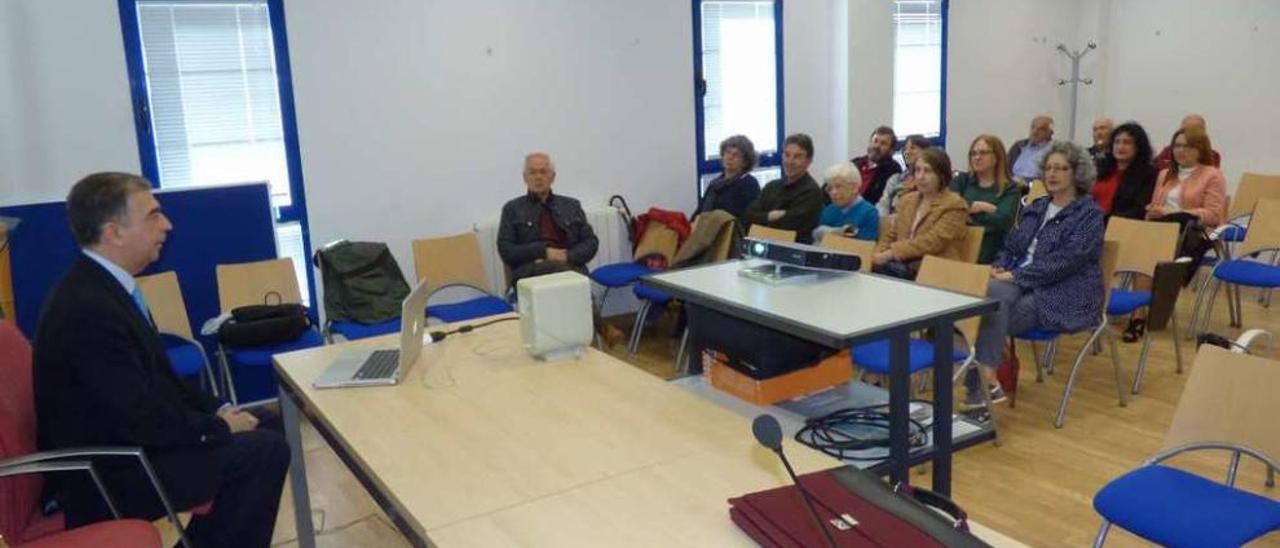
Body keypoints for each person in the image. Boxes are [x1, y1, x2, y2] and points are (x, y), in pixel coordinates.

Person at [33, 172, 289, 547]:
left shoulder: (107, 287)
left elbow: (161, 382)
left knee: (271, 422)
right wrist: (218, 428)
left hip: (134, 446)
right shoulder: (86, 310)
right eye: (153, 215)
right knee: (262, 451)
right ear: (114, 232)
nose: (167, 224)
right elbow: (137, 419)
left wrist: (219, 408)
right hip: (113, 471)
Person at [965, 142, 1105, 408]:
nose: (1052, 174)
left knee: (982, 314)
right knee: (989, 301)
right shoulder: (1037, 207)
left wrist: (1015, 277)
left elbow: (1065, 263)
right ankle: (986, 381)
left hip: (1064, 292)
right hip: (1020, 282)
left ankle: (982, 386)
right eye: (1049, 168)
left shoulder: (1089, 215)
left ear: (1077, 173)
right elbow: (1011, 244)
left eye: (1061, 168)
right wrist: (1000, 266)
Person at [497, 152, 600, 283]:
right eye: (532, 172)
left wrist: (566, 256)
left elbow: (591, 242)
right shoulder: (512, 209)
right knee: (559, 273)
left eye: (543, 172)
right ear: (525, 178)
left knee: (570, 279)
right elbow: (506, 251)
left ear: (552, 177)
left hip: (570, 268)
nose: (538, 177)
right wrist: (543, 252)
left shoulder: (572, 206)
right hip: (531, 275)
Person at [872, 148, 968, 279]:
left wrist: (891, 253)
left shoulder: (955, 204)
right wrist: (878, 254)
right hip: (902, 269)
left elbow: (931, 242)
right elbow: (891, 234)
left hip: (936, 272)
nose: (921, 176)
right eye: (917, 170)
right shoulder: (907, 200)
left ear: (941, 175)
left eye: (927, 171)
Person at [743, 133, 824, 244]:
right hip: (762, 248)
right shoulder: (771, 187)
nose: (790, 161)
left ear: (808, 161)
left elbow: (788, 228)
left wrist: (762, 219)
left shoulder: (811, 192)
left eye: (797, 156)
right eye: (787, 155)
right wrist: (769, 216)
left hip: (793, 253)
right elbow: (748, 217)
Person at [951, 135, 1020, 264]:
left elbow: (1004, 221)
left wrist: (971, 214)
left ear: (997, 157)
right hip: (959, 243)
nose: (977, 157)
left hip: (991, 250)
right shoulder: (961, 180)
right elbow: (951, 208)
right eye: (973, 153)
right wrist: (988, 208)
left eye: (983, 153)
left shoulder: (1011, 188)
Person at [1092, 121, 1156, 220]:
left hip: (1120, 227)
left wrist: (1105, 219)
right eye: (1117, 142)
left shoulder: (1148, 174)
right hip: (1090, 223)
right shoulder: (1101, 169)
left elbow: (1139, 210)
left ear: (1138, 147)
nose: (1120, 147)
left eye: (1127, 142)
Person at [693, 134, 762, 220]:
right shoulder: (715, 183)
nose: (730, 157)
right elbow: (700, 210)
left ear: (745, 161)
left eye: (736, 155)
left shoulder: (749, 184)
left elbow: (745, 217)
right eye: (728, 152)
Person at [812, 163, 879, 243]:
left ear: (854, 188)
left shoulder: (869, 212)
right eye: (829, 188)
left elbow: (867, 244)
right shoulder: (828, 210)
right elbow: (818, 240)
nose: (833, 192)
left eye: (838, 186)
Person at [877, 134, 930, 216]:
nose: (907, 152)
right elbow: (883, 205)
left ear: (925, 151)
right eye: (905, 149)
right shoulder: (895, 179)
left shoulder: (931, 180)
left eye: (912, 148)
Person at [850, 126, 903, 206]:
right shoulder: (855, 163)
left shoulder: (893, 169)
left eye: (883, 143)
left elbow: (881, 200)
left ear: (891, 150)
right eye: (875, 141)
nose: (877, 146)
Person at [1153, 114, 1222, 173]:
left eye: (1193, 130)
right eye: (1184, 129)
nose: (1186, 133)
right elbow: (1156, 168)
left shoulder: (1213, 156)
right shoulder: (1168, 151)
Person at [1008, 115, 1055, 183]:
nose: (1035, 132)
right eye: (1033, 127)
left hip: (1036, 188)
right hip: (1012, 185)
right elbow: (1005, 168)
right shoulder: (1018, 146)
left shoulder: (1054, 150)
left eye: (1041, 129)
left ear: (1050, 133)